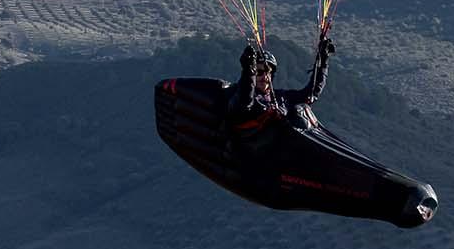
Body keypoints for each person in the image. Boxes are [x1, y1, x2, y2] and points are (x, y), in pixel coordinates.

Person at [155, 25, 436, 230]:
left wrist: (323, 59)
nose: (264, 76)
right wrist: (247, 73)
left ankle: (401, 199)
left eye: (267, 72)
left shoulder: (283, 99)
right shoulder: (239, 103)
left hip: (299, 162)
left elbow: (310, 93)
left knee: (305, 117)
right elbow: (243, 104)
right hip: (274, 175)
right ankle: (399, 198)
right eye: (260, 72)